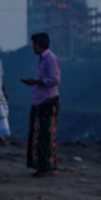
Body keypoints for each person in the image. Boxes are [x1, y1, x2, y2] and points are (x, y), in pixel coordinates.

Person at [20, 32, 61, 177]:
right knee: (40, 134)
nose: (33, 47)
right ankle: (42, 166)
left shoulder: (50, 58)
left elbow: (55, 79)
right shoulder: (43, 59)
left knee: (46, 135)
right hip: (40, 100)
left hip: (47, 101)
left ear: (38, 45)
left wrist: (36, 81)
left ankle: (48, 167)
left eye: (34, 45)